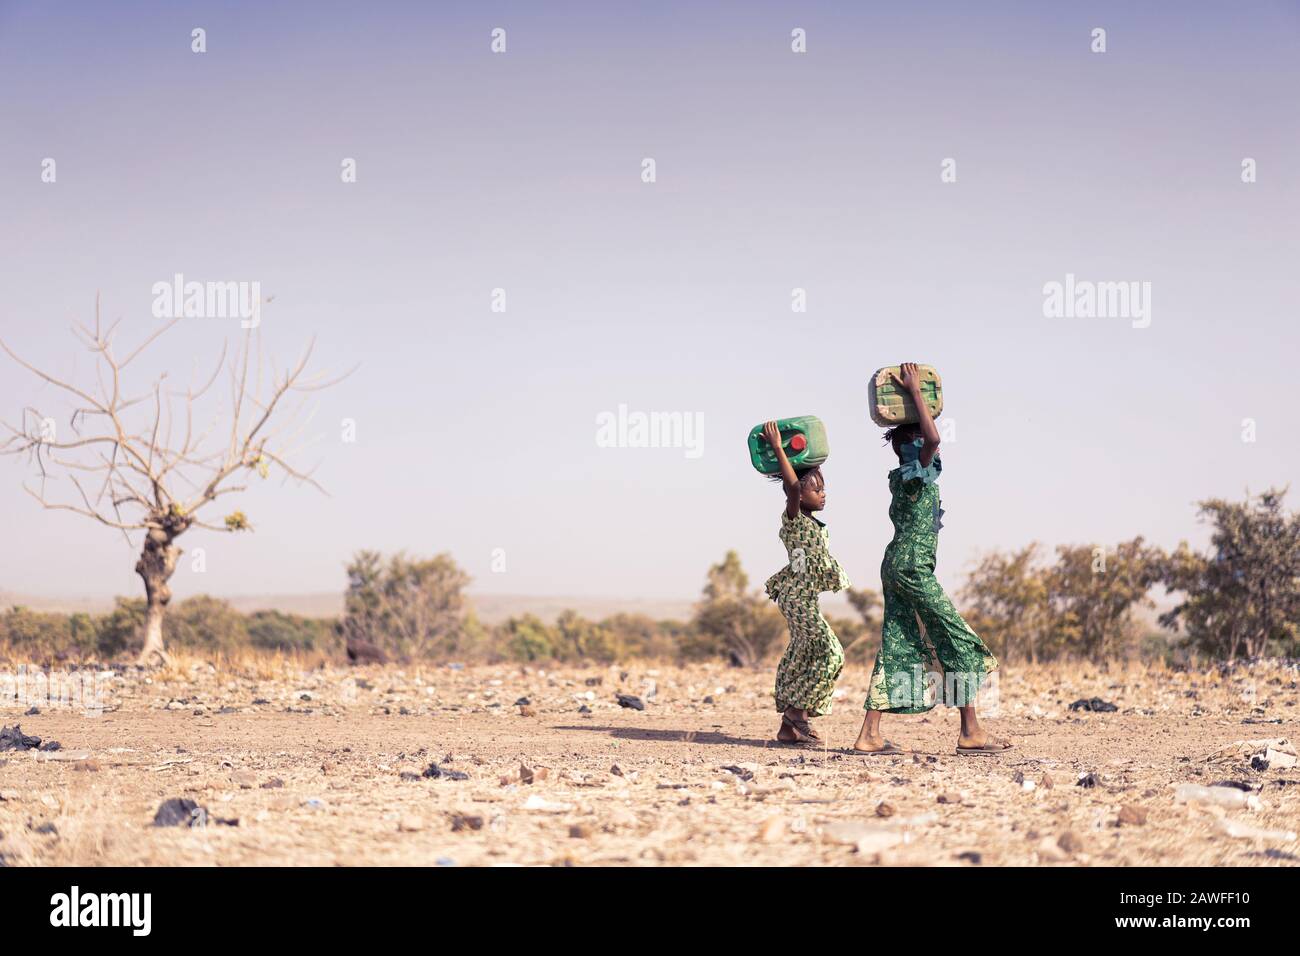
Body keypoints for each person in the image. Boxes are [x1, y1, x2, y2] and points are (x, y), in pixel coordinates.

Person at [852, 364, 1012, 755]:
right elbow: (935, 437)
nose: (935, 446)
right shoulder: (913, 474)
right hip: (910, 568)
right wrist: (916, 393)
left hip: (899, 566)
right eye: (924, 441)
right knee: (955, 637)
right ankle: (971, 732)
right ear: (915, 446)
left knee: (898, 643)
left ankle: (869, 735)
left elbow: (932, 440)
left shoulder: (912, 476)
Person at [760, 420, 850, 744]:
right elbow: (794, 488)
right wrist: (779, 449)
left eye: (823, 488)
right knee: (831, 652)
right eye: (817, 489)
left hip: (802, 596)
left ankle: (788, 729)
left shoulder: (814, 523)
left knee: (804, 651)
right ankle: (798, 714)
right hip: (796, 596)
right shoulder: (794, 516)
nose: (822, 494)